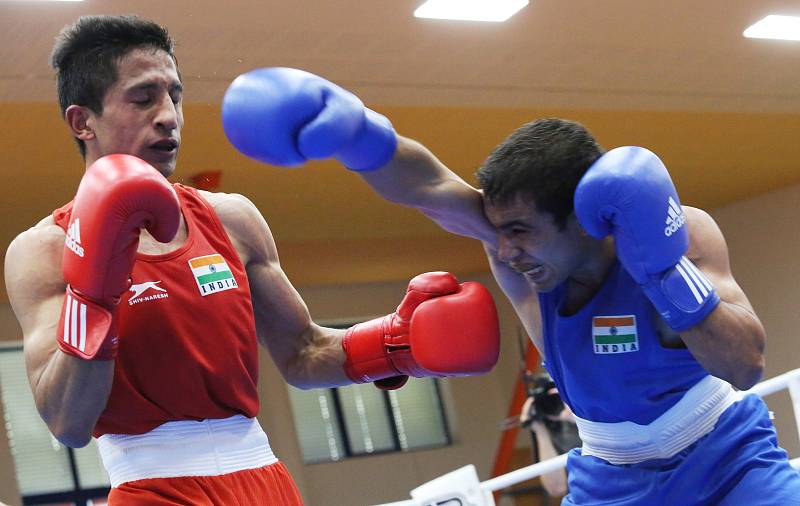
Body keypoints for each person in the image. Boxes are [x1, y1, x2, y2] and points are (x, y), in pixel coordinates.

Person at [219, 67, 800, 504]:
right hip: (610, 477)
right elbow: (425, 186)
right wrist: (359, 135)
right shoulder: (519, 256)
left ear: (583, 217)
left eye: (521, 231)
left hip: (729, 458)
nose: (506, 250)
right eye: (499, 231)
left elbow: (746, 364)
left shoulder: (680, 235)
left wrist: (662, 272)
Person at [2, 17, 502, 505]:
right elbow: (68, 422)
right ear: (81, 120)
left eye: (174, 95)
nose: (169, 116)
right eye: (143, 97)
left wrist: (399, 343)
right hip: (152, 486)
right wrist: (94, 293)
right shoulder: (43, 250)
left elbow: (303, 351)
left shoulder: (231, 218)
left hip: (263, 478)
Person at [518, 371, 579, 499]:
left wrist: (579, 417)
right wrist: (539, 430)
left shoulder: (592, 411)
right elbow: (557, 489)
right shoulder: (546, 428)